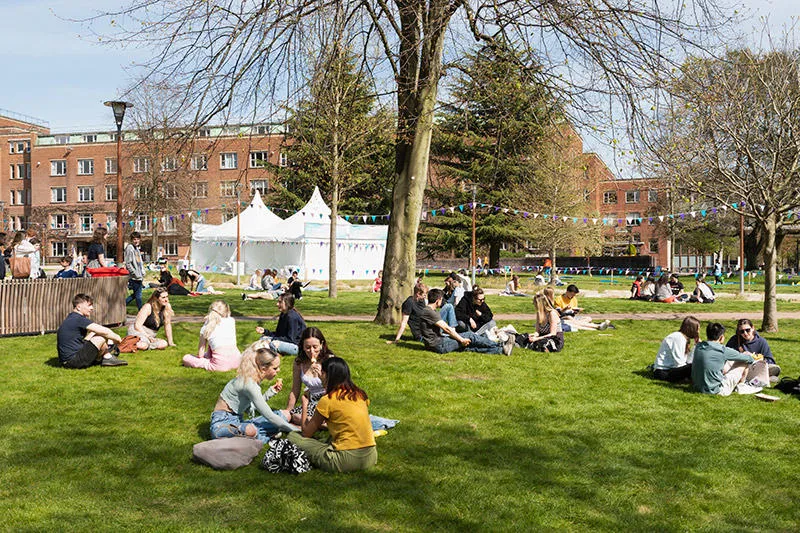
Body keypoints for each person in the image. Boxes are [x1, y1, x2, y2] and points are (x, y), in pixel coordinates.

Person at [287, 357, 377, 473]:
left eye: (322, 373)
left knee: (293, 435)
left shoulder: (327, 400)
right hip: (370, 456)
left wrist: (305, 403)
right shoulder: (360, 395)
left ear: (327, 375)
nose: (319, 376)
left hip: (344, 461)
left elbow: (306, 433)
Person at [210, 341, 298, 444]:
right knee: (251, 430)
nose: (278, 370)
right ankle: (268, 438)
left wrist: (271, 392)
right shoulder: (250, 384)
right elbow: (269, 416)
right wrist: (297, 431)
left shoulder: (252, 380)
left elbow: (251, 408)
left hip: (238, 422)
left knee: (285, 414)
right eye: (275, 368)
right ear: (263, 369)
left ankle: (262, 436)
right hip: (221, 425)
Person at [418, 288, 513, 355]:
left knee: (468, 348)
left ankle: (500, 350)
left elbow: (489, 315)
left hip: (435, 344)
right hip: (439, 344)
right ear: (438, 300)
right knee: (469, 335)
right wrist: (461, 339)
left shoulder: (428, 311)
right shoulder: (429, 312)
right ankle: (501, 344)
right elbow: (446, 328)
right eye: (442, 300)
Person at [56, 293, 127, 368]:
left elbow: (85, 338)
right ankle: (106, 357)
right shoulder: (78, 319)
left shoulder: (72, 317)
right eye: (89, 305)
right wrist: (118, 339)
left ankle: (106, 356)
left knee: (94, 333)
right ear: (79, 307)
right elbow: (104, 331)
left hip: (67, 360)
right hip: (73, 361)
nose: (92, 308)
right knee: (101, 336)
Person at [692, 322, 761, 396]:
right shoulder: (722, 350)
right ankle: (741, 386)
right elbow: (748, 359)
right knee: (745, 357)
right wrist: (751, 356)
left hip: (698, 387)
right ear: (721, 337)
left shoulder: (699, 347)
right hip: (718, 390)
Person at [283, 327, 334, 424]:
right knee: (296, 416)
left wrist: (323, 378)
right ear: (302, 346)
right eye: (307, 347)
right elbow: (295, 390)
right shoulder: (299, 362)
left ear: (322, 345)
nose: (311, 351)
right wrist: (287, 412)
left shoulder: (330, 360)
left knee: (307, 419)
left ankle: (318, 424)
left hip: (328, 399)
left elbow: (335, 388)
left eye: (315, 347)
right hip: (312, 402)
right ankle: (319, 424)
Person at [182, 300, 242, 371]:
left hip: (220, 366)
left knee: (186, 358)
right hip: (238, 361)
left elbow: (200, 355)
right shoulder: (231, 321)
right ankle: (211, 357)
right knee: (212, 347)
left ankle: (210, 359)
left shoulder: (207, 326)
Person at [652, 316, 700, 382]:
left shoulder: (684, 338)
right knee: (694, 366)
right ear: (692, 329)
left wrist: (696, 345)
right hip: (663, 371)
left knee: (695, 365)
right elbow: (679, 363)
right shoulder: (678, 338)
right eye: (697, 329)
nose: (698, 332)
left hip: (671, 369)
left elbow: (687, 360)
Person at [544, 287, 610, 331]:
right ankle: (597, 326)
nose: (573, 296)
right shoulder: (559, 299)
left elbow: (573, 311)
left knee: (588, 318)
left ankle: (596, 326)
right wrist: (565, 308)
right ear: (567, 292)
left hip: (572, 317)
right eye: (572, 294)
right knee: (571, 320)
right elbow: (558, 312)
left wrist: (576, 311)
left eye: (574, 295)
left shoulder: (574, 299)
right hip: (563, 317)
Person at [124, 232, 145, 309]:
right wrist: (134, 273)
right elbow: (128, 263)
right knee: (138, 296)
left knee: (136, 294)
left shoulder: (137, 249)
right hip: (134, 276)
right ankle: (141, 311)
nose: (136, 241)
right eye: (134, 239)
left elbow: (139, 262)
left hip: (139, 275)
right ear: (131, 240)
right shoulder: (130, 248)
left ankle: (122, 305)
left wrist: (142, 272)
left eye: (138, 239)